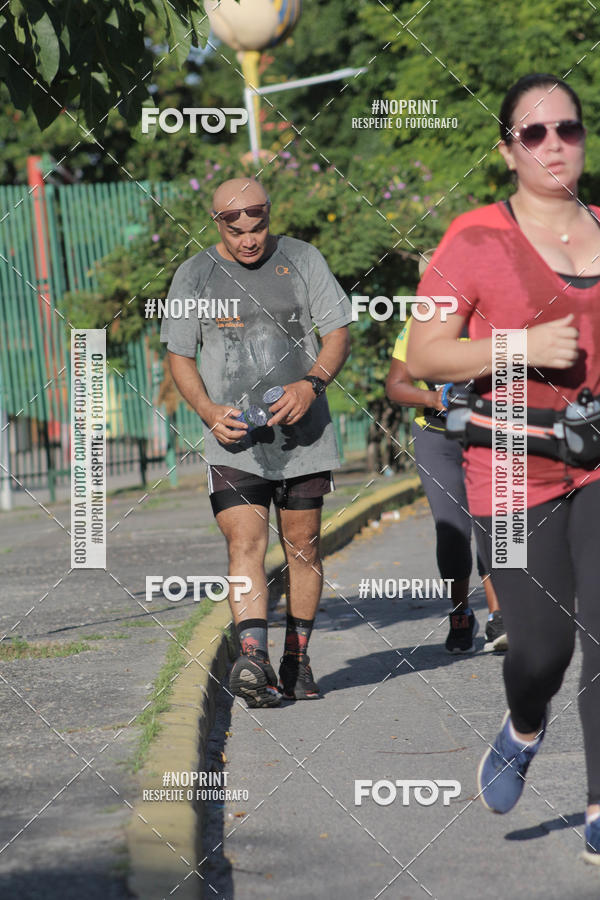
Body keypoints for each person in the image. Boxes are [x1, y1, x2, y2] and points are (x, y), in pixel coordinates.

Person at [406, 73, 600, 864]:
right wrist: (519, 346)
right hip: (513, 469)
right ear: (507, 150)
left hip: (597, 463)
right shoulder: (474, 239)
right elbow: (424, 355)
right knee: (542, 649)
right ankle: (524, 725)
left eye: (568, 128)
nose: (554, 144)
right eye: (534, 132)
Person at [161, 178, 352, 708]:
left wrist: (311, 385)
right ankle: (254, 659)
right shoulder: (194, 274)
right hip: (234, 439)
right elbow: (179, 354)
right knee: (244, 543)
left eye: (258, 226)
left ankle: (296, 660)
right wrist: (207, 411)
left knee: (303, 546)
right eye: (235, 229)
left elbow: (337, 333)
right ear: (216, 223)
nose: (248, 239)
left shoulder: (303, 259)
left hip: (304, 437)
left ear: (269, 214)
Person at [386, 264, 505, 654]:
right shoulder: (420, 324)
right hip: (437, 438)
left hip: (493, 435)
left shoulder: (498, 315)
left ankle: (500, 615)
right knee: (452, 530)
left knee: (497, 525)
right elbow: (395, 386)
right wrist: (431, 397)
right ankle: (460, 614)